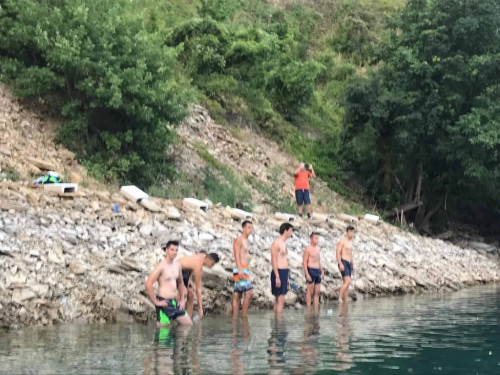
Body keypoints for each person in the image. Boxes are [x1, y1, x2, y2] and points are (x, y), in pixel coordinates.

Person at [145, 241, 193, 327]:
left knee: (188, 324)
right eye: (172, 250)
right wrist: (156, 301)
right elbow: (148, 283)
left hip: (175, 302)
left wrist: (182, 300)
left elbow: (181, 284)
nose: (174, 252)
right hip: (164, 303)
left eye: (176, 250)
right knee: (163, 333)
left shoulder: (177, 266)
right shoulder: (161, 266)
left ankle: (178, 339)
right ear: (166, 250)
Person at [176, 251, 220, 318]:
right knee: (183, 293)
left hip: (184, 271)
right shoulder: (198, 267)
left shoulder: (203, 255)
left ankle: (188, 317)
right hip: (175, 270)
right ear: (208, 259)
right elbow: (198, 290)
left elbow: (190, 264)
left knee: (190, 293)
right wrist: (200, 309)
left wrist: (190, 279)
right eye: (212, 264)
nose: (211, 266)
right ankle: (170, 312)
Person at [270, 222, 294, 314]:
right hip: (278, 271)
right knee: (281, 299)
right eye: (291, 231)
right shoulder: (276, 243)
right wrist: (277, 276)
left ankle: (277, 324)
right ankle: (279, 324)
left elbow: (284, 259)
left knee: (279, 299)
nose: (292, 233)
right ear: (285, 231)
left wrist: (286, 277)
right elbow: (274, 260)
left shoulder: (284, 243)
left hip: (284, 272)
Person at [232, 220, 254, 317]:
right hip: (240, 268)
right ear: (243, 228)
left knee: (238, 294)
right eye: (248, 227)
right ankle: (244, 316)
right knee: (249, 293)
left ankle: (235, 317)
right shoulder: (239, 239)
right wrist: (239, 269)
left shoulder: (245, 240)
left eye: (251, 227)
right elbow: (236, 254)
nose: (250, 229)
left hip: (244, 269)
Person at [302, 232, 324, 309]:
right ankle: (308, 309)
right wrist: (307, 274)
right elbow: (304, 262)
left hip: (317, 270)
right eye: (315, 238)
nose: (317, 240)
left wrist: (322, 270)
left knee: (317, 292)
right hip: (310, 269)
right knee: (309, 291)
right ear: (311, 239)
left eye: (318, 238)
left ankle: (316, 308)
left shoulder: (318, 248)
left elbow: (318, 260)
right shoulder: (308, 249)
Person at [336, 226, 355, 303]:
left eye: (352, 232)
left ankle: (345, 300)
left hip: (349, 263)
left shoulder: (351, 242)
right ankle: (339, 298)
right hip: (343, 261)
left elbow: (350, 254)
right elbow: (337, 253)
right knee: (348, 282)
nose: (351, 234)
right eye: (350, 232)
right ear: (347, 232)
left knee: (346, 284)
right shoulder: (342, 241)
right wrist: (340, 263)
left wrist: (353, 266)